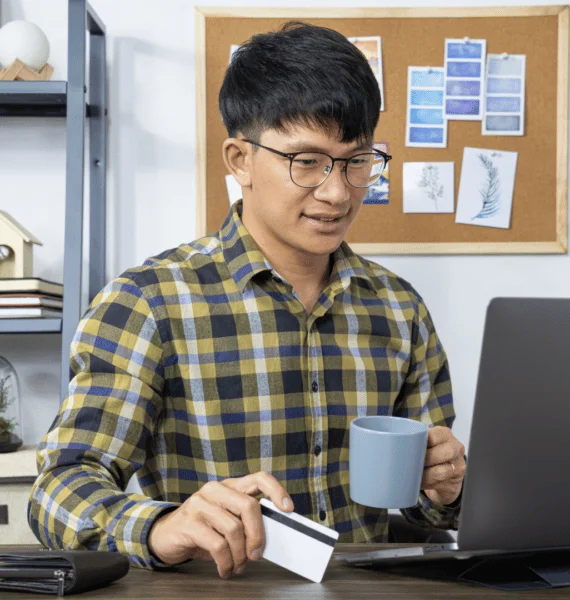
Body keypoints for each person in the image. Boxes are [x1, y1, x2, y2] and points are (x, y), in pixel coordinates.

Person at [28, 21, 466, 580]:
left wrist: (447, 487)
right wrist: (160, 528)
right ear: (239, 160)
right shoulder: (149, 303)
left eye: (357, 161)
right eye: (306, 162)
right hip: (222, 590)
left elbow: (427, 509)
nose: (337, 192)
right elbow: (60, 486)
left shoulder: (399, 309)